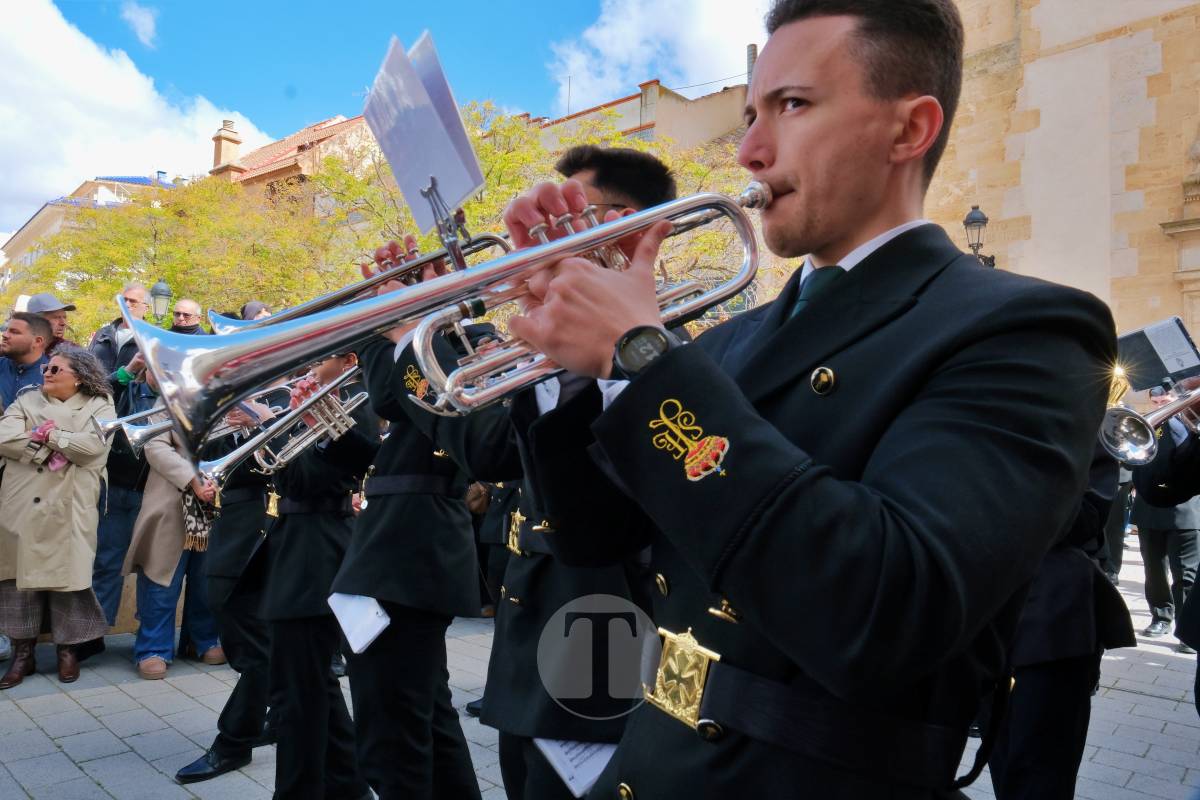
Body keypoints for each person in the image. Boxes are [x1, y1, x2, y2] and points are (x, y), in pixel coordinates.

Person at [494, 1, 1115, 796]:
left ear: (908, 131)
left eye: (792, 106)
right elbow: (593, 538)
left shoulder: (1026, 328)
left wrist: (640, 359)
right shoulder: (731, 337)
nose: (750, 150)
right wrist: (574, 368)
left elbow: (886, 610)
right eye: (752, 113)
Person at [330, 256, 512, 800]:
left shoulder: (467, 342)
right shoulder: (435, 343)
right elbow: (393, 393)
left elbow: (406, 397)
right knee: (425, 718)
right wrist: (385, 320)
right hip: (402, 546)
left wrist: (401, 322)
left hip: (411, 549)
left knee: (393, 738)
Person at [257, 352, 376, 800]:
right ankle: (347, 784)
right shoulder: (311, 400)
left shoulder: (352, 405)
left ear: (347, 361)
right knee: (311, 684)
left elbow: (307, 481)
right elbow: (282, 479)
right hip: (297, 545)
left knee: (295, 692)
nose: (308, 368)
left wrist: (300, 421)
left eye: (321, 358)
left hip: (319, 549)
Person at [986, 442, 1135, 799]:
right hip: (987, 613)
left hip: (1053, 619)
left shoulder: (1086, 426)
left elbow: (1087, 517)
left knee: (1043, 772)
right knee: (1001, 759)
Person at [175, 384, 286, 784]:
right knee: (250, 640)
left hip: (269, 535)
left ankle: (235, 740)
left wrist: (262, 420)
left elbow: (282, 466)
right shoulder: (225, 425)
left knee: (258, 648)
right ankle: (278, 710)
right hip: (232, 535)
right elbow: (205, 460)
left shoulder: (281, 408)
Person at [0, 347, 114, 688]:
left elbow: (94, 448)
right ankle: (23, 656)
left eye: (55, 369)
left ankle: (68, 652)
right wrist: (60, 444)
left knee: (70, 581)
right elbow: (3, 437)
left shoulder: (101, 404)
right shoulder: (26, 399)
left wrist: (48, 433)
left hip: (71, 505)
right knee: (18, 583)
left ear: (78, 376)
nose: (46, 373)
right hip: (21, 504)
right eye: (46, 368)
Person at [122, 376, 222, 680]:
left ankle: (202, 641)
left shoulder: (229, 402)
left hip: (219, 501)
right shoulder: (166, 404)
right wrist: (193, 478)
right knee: (161, 578)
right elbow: (155, 448)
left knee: (207, 579)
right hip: (171, 502)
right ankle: (152, 648)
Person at [1129, 390, 1200, 641]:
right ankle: (1161, 617)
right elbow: (1131, 462)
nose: (1160, 405)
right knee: (1154, 570)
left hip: (1184, 513)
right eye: (1156, 402)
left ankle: (1186, 625)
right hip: (1149, 509)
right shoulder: (1147, 425)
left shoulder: (1193, 423)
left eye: (1165, 401)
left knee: (1185, 574)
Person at [89, 282, 148, 375]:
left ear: (145, 308)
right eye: (124, 300)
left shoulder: (149, 340)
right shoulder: (102, 334)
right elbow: (86, 367)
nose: (126, 304)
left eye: (133, 302)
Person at [0, 312, 51, 409]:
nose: (5, 335)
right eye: (6, 330)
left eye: (14, 332)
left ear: (37, 341)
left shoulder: (52, 376)